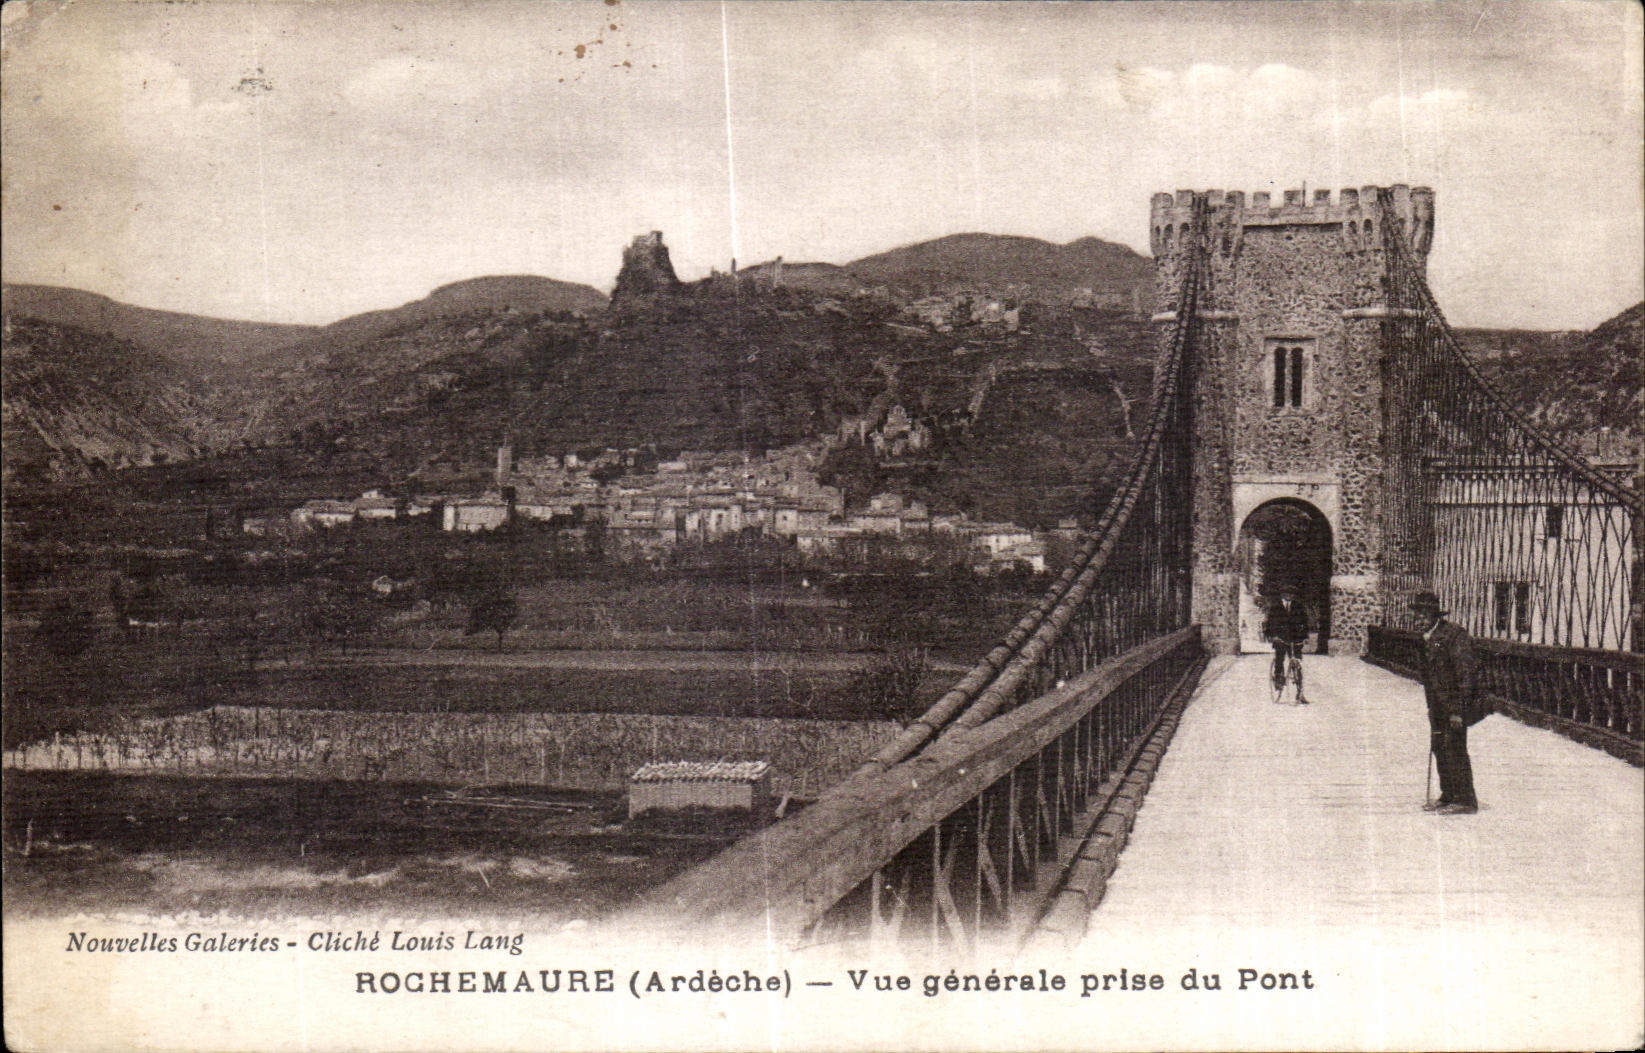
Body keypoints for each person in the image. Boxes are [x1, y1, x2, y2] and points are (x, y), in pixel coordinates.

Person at [1410, 591, 1483, 815]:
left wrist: (1457, 710)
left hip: (1454, 705)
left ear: (1435, 616)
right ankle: (1448, 794)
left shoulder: (1454, 636)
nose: (1419, 619)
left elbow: (1466, 675)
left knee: (1455, 748)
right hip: (1438, 705)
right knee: (1440, 746)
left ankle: (1466, 800)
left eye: (1424, 615)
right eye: (1417, 615)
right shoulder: (1425, 638)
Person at [1263, 588, 1311, 704]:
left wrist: (1305, 636)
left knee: (1298, 663)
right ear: (1282, 595)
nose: (1289, 596)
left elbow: (1304, 622)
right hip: (1280, 639)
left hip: (1295, 638)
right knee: (1280, 658)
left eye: (1291, 594)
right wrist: (1273, 636)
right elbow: (1269, 623)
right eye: (1287, 594)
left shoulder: (1298, 606)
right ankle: (1278, 678)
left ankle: (1300, 692)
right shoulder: (1276, 608)